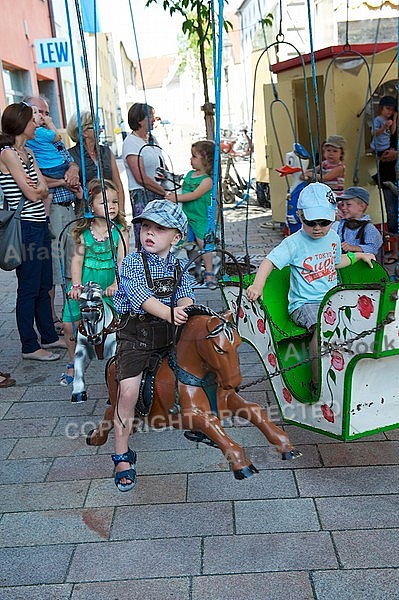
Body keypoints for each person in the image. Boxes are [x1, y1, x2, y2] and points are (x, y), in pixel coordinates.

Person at [246, 183, 375, 389]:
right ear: (299, 216)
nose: (317, 228)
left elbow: (335, 262)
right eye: (311, 222)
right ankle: (318, 381)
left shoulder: (332, 236)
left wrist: (358, 255)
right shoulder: (294, 242)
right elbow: (269, 261)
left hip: (330, 298)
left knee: (355, 323)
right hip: (305, 303)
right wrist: (258, 285)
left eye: (324, 222)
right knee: (321, 328)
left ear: (333, 217)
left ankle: (350, 373)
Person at [112, 200, 195, 491]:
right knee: (128, 391)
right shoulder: (132, 262)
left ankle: (200, 420)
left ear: (175, 238)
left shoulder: (179, 265)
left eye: (159, 229)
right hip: (136, 336)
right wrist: (170, 313)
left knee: (202, 367)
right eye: (146, 226)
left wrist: (186, 309)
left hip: (167, 334)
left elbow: (186, 294)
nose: (149, 233)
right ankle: (122, 453)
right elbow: (140, 296)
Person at [0, 102, 66, 360]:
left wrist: (37, 188)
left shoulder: (27, 152)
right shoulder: (7, 154)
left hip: (39, 224)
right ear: (20, 124)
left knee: (44, 283)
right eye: (32, 120)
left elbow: (44, 190)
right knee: (28, 287)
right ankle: (30, 345)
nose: (36, 123)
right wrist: (37, 189)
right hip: (23, 227)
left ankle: (48, 336)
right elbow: (31, 191)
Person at [60, 179, 129, 386]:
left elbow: (122, 261)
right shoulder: (83, 232)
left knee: (120, 323)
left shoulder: (120, 231)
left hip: (109, 281)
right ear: (91, 206)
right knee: (69, 324)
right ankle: (73, 361)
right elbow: (77, 261)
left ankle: (120, 361)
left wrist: (117, 283)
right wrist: (77, 285)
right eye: (105, 202)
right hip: (86, 282)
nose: (112, 207)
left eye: (115, 202)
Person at [24, 96, 81, 335]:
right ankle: (54, 318)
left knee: (71, 264)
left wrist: (73, 170)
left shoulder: (49, 137)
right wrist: (63, 182)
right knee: (54, 268)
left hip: (69, 208)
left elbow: (69, 160)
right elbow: (38, 178)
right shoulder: (29, 145)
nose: (44, 117)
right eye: (40, 112)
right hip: (53, 210)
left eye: (47, 112)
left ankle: (72, 313)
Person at [123, 103, 169, 248]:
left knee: (162, 237)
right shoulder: (131, 143)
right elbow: (141, 178)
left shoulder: (151, 139)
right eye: (150, 116)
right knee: (148, 239)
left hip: (158, 193)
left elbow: (161, 165)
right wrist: (165, 193)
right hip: (143, 196)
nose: (154, 119)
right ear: (139, 120)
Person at [174, 140, 217, 289]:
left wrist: (176, 197)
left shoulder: (207, 181)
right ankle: (195, 271)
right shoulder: (190, 174)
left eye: (194, 156)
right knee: (188, 246)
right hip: (186, 216)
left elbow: (194, 195)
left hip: (200, 218)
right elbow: (182, 188)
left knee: (204, 245)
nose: (190, 159)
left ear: (205, 160)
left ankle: (210, 273)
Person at [67, 111, 125, 212]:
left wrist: (121, 211)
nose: (101, 130)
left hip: (110, 210)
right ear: (84, 132)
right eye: (96, 126)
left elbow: (117, 184)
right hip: (86, 211)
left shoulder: (106, 152)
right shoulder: (71, 155)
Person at [335, 186, 383, 260]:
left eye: (348, 204)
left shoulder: (368, 228)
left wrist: (353, 248)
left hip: (362, 265)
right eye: (342, 204)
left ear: (361, 206)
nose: (343, 208)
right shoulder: (342, 224)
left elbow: (373, 248)